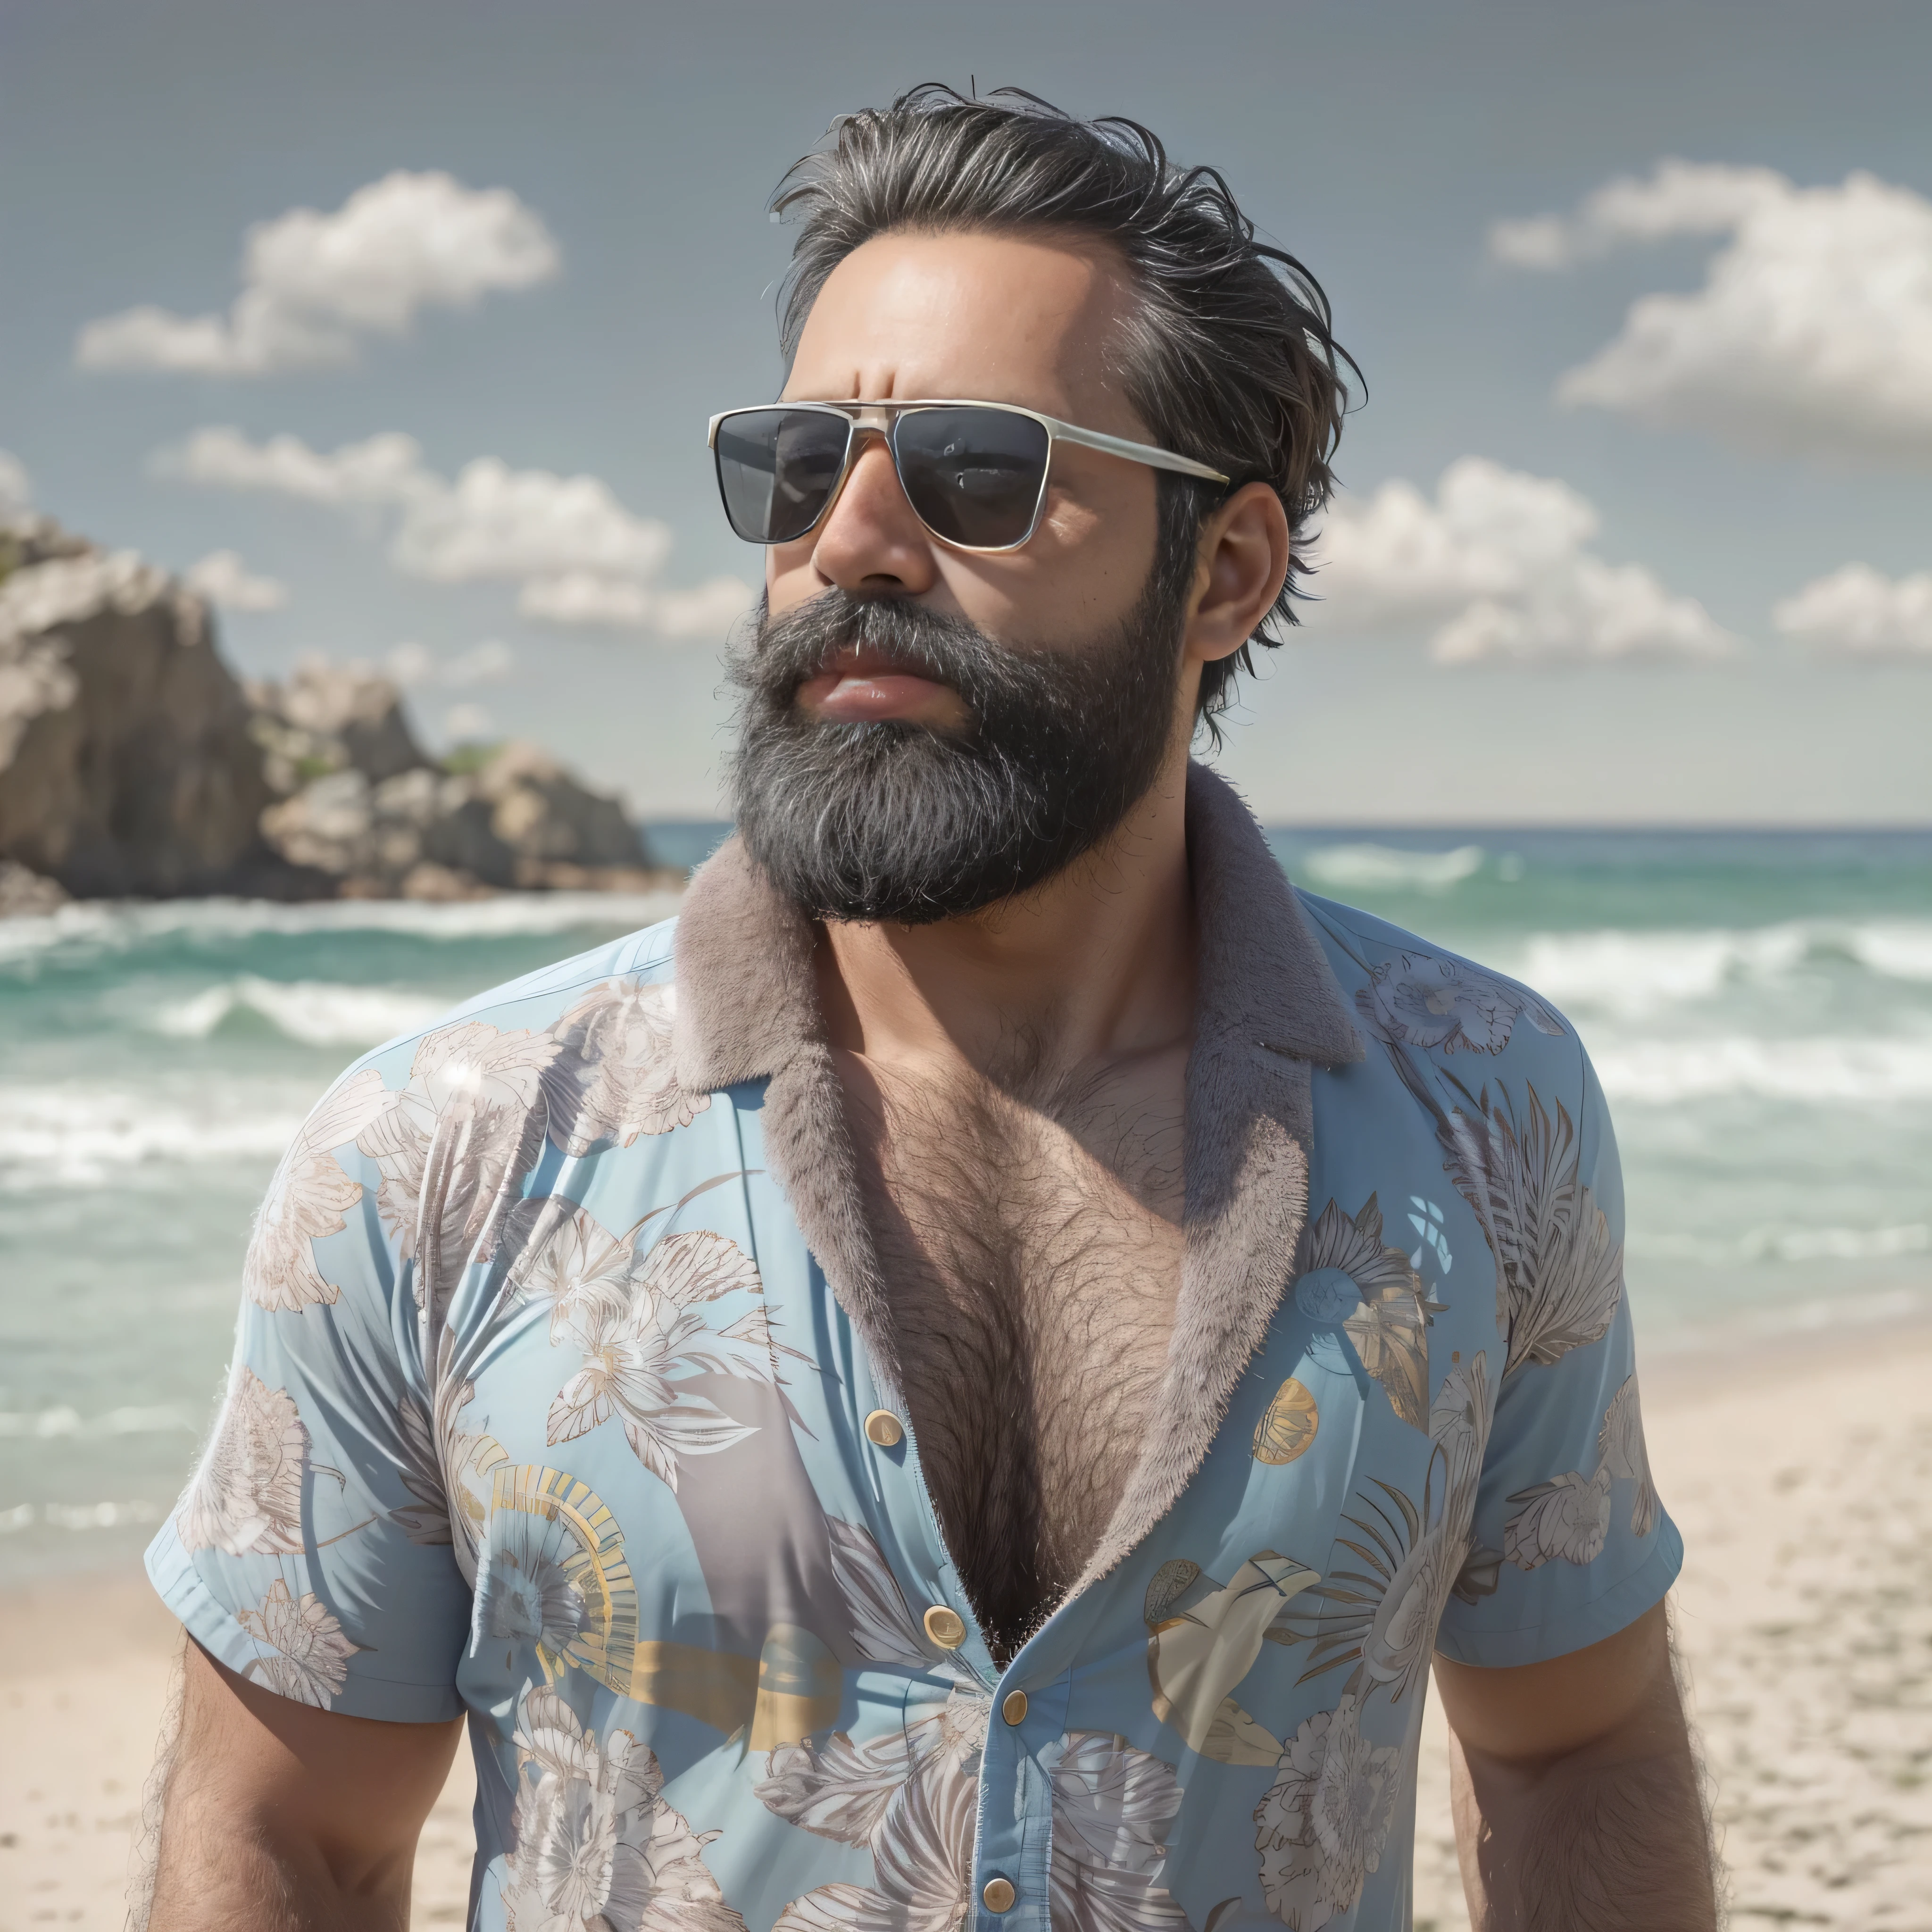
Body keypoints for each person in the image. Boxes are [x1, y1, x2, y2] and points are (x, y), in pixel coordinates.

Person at [140, 86, 1717, 1932]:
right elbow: (284, 1836)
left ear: (1223, 570)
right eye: (797, 467)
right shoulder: (439, 1152)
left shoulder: (1483, 1116)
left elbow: (1572, 1745)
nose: (852, 542)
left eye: (979, 469)